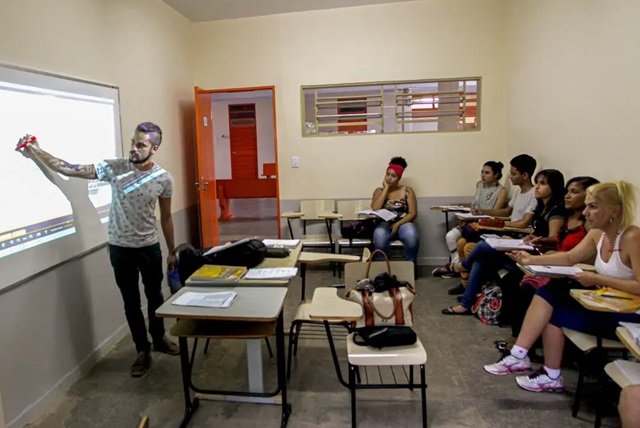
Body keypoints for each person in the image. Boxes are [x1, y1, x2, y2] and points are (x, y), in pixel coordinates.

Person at [16, 122, 180, 378]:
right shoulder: (114, 168)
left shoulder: (163, 178)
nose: (134, 149)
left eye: (141, 145)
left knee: (155, 296)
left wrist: (171, 251)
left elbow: (167, 217)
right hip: (120, 249)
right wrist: (36, 150)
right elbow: (67, 169)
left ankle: (159, 338)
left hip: (149, 248)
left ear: (154, 148)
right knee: (131, 302)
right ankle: (142, 350)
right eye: (133, 142)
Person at [483, 181, 640, 392]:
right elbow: (569, 257)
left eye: (593, 207)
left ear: (614, 210)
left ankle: (543, 370)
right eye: (586, 206)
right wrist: (530, 260)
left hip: (628, 316)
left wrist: (598, 279)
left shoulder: (632, 237)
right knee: (551, 290)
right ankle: (523, 356)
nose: (585, 212)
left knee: (554, 311)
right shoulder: (597, 235)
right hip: (606, 305)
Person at [441, 168, 565, 315]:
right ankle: (465, 304)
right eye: (537, 182)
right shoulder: (541, 207)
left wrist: (533, 239)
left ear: (554, 187)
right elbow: (535, 231)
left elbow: (554, 239)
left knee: (483, 246)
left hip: (535, 256)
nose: (537, 187)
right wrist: (522, 239)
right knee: (481, 258)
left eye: (542, 184)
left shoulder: (556, 211)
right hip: (525, 246)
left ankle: (462, 267)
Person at [442, 154, 538, 297]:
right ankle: (465, 284)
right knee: (461, 242)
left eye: (513, 174)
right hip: (507, 232)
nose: (510, 177)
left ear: (525, 175)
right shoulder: (519, 191)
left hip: (515, 235)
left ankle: (468, 280)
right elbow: (506, 211)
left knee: (469, 247)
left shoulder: (533, 194)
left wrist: (498, 224)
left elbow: (523, 223)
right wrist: (483, 213)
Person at [432, 161, 508, 277]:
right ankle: (456, 266)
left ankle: (454, 268)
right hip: (471, 221)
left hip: (485, 225)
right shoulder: (479, 185)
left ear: (496, 175)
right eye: (482, 172)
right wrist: (460, 208)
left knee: (463, 240)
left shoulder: (502, 191)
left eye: (487, 173)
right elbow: (474, 205)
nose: (483, 175)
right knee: (450, 236)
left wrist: (480, 212)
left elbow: (495, 213)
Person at [370, 156, 419, 264]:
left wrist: (398, 224)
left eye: (393, 176)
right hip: (384, 224)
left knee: (412, 235)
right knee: (379, 235)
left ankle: (410, 266)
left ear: (399, 178)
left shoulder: (407, 191)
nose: (389, 178)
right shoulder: (379, 191)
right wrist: (386, 189)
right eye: (387, 174)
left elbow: (413, 213)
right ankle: (384, 267)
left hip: (403, 223)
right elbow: (375, 208)